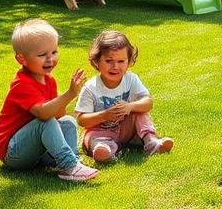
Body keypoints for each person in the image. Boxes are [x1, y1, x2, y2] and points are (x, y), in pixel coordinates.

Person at [0, 18, 98, 182]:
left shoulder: (49, 81)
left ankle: (73, 160)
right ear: (22, 59)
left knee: (68, 121)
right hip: (14, 153)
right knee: (46, 122)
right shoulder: (21, 84)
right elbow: (43, 114)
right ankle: (68, 165)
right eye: (42, 55)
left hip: (35, 152)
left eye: (54, 52)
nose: (50, 59)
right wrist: (70, 93)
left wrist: (65, 100)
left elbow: (58, 114)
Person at [75, 30, 174, 162]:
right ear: (96, 61)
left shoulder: (131, 79)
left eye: (121, 61)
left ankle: (152, 142)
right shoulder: (91, 87)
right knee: (90, 137)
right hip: (100, 132)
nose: (115, 66)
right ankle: (104, 151)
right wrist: (104, 115)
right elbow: (81, 119)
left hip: (125, 130)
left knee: (139, 111)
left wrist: (130, 106)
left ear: (129, 61)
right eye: (109, 61)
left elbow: (148, 102)